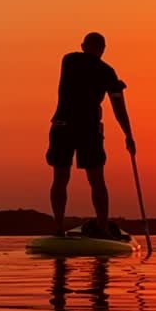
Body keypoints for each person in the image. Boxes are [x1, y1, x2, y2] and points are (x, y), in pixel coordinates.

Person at [45, 32, 135, 237]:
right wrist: (116, 85)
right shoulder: (72, 60)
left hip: (82, 128)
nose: (95, 50)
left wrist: (128, 135)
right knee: (65, 176)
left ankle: (99, 227)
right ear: (85, 47)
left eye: (98, 47)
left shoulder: (103, 71)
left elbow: (118, 107)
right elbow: (117, 104)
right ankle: (60, 227)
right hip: (68, 126)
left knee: (93, 179)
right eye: (93, 46)